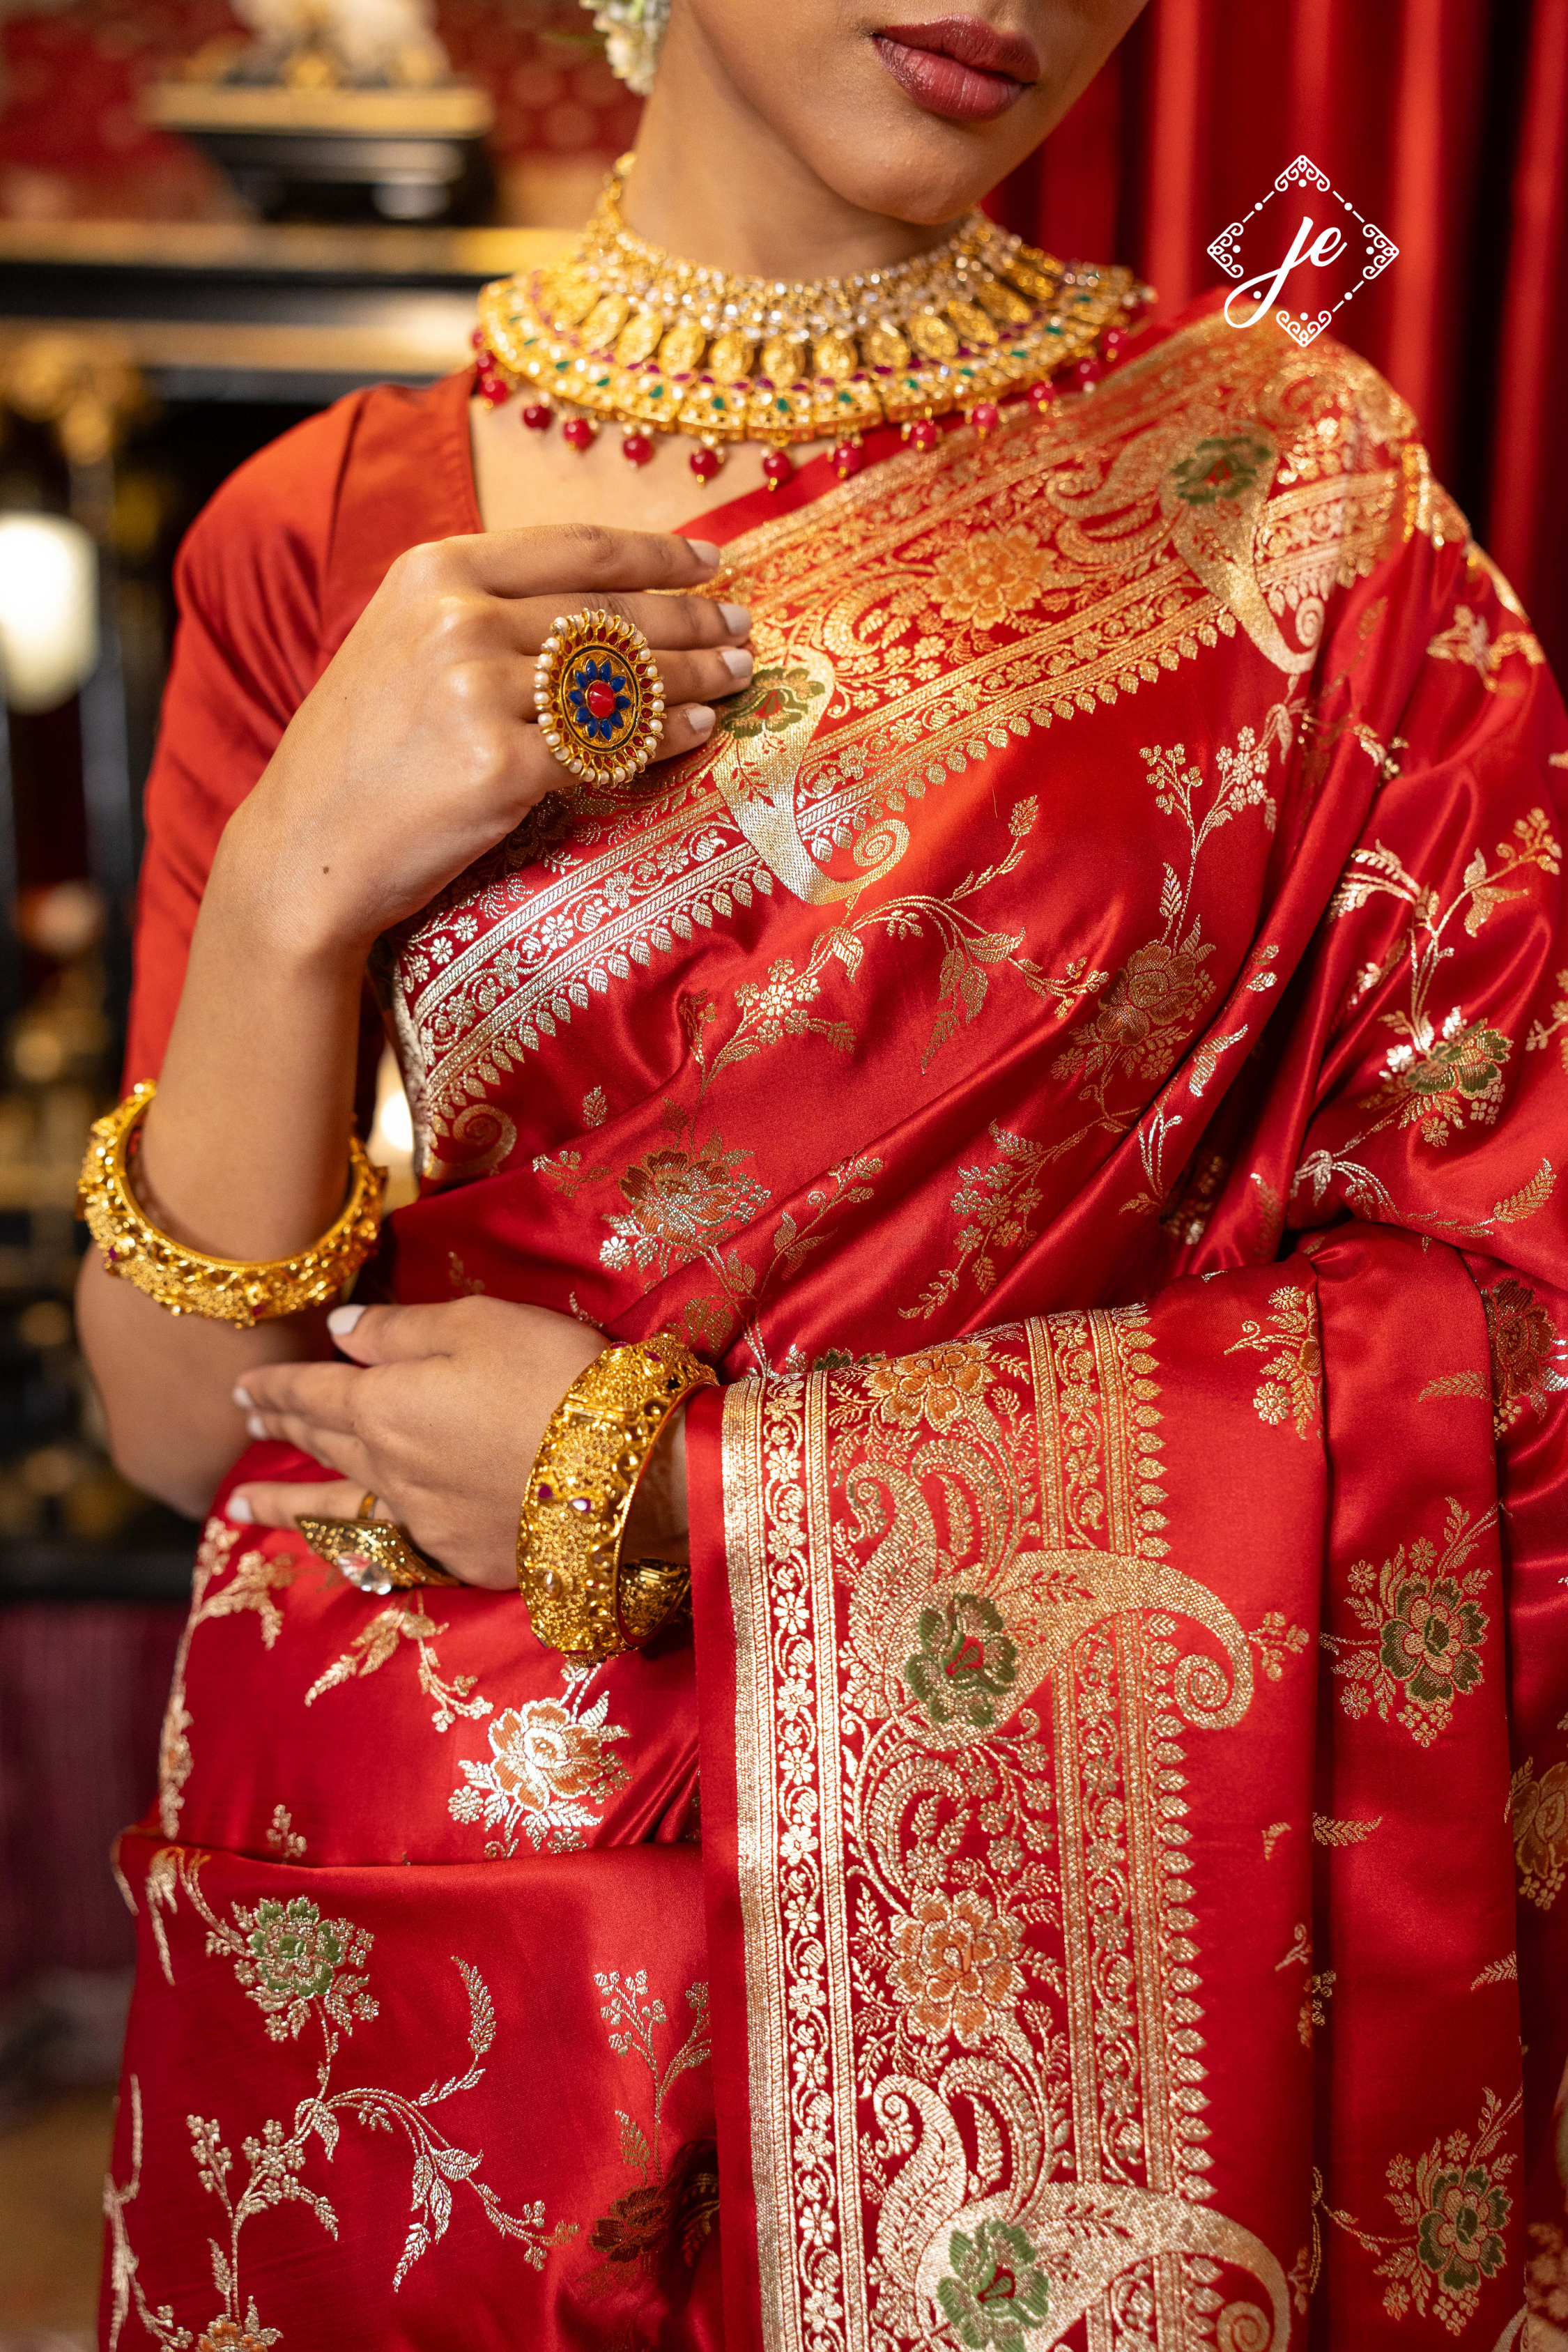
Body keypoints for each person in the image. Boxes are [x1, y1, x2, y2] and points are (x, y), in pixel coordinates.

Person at [77, 0, 1568, 2342]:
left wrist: (714, 1489)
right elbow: (182, 1418)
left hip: (1066, 1995)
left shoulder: (1289, 498)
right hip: (441, 1990)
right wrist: (291, 880)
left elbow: (1514, 1323)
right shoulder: (328, 533)